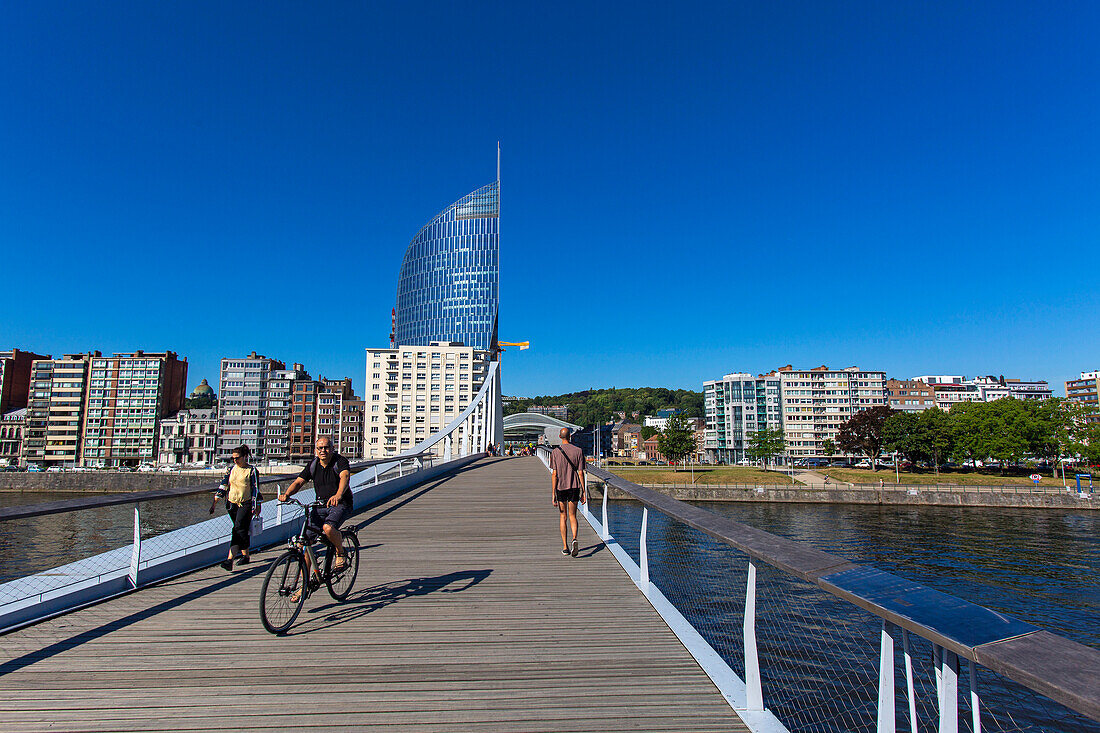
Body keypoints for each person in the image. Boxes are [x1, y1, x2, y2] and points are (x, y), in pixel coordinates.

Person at [278, 436, 352, 581]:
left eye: (326, 447)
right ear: (316, 450)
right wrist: (287, 494)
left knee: (328, 528)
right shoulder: (313, 464)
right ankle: (304, 585)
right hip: (320, 505)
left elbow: (345, 477)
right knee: (305, 543)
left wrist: (338, 495)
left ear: (332, 448)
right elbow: (299, 482)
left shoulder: (340, 461)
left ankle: (340, 552)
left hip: (340, 504)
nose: (323, 451)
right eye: (320, 448)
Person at [210, 444, 261, 571]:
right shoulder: (231, 469)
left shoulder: (252, 471)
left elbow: (256, 489)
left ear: (244, 457)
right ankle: (245, 556)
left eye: (237, 458)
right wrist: (215, 502)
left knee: (237, 529)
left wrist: (257, 505)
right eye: (233, 458)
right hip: (232, 504)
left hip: (246, 504)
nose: (235, 460)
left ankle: (229, 560)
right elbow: (224, 485)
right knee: (241, 530)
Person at [550, 427, 587, 557]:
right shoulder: (578, 451)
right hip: (574, 486)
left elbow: (554, 474)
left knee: (563, 516)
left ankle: (565, 547)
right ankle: (574, 538)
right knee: (573, 516)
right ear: (570, 436)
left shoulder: (555, 452)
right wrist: (584, 491)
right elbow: (581, 473)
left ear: (560, 437)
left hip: (560, 487)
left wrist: (553, 493)